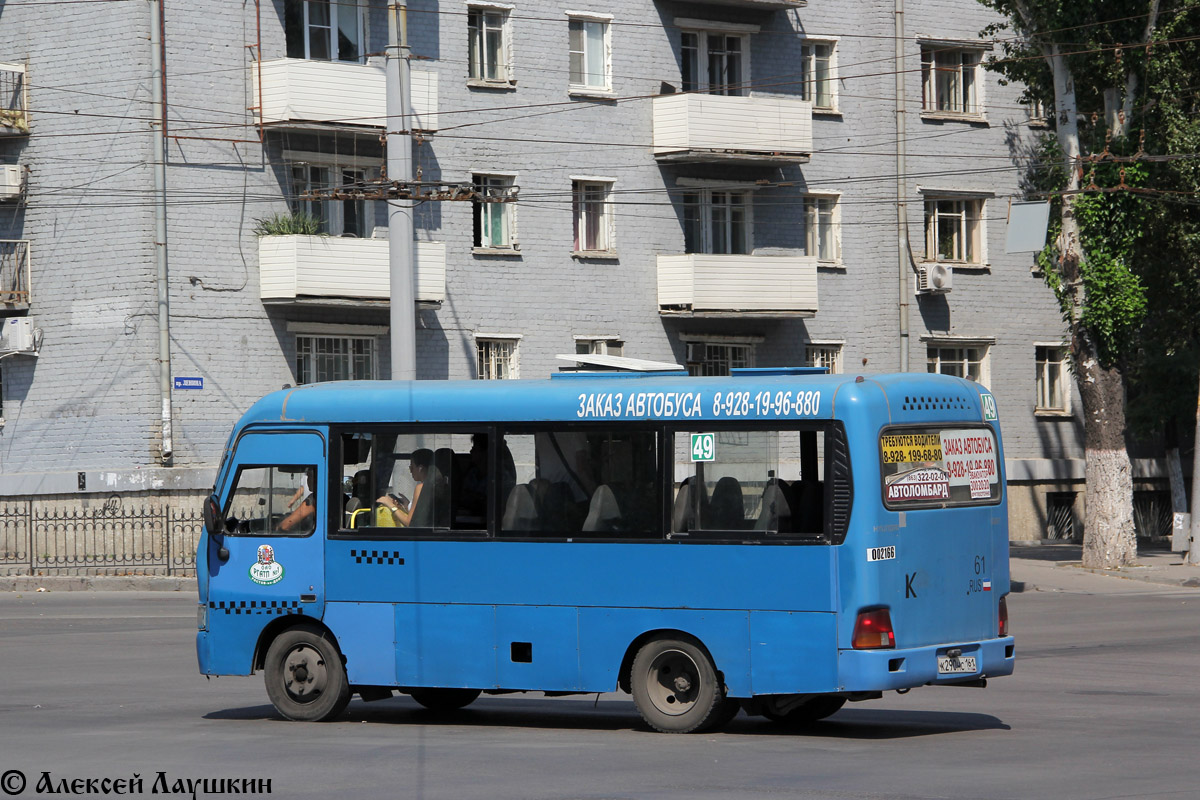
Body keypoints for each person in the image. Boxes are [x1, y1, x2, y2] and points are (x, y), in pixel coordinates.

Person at [378, 448, 434, 527]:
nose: (411, 471)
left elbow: (409, 523)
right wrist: (407, 505)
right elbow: (421, 516)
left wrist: (390, 505)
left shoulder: (421, 488)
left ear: (420, 468)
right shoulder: (434, 485)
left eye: (412, 467)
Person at [280, 467, 316, 532]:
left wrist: (277, 527)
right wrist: (293, 500)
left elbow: (285, 525)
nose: (307, 480)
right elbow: (302, 487)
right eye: (307, 477)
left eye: (310, 476)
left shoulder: (313, 500)